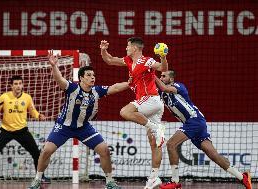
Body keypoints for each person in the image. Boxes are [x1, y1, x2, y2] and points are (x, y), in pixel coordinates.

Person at [28, 50, 130, 189]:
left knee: (104, 150)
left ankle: (110, 182)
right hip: (64, 127)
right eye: (88, 75)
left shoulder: (97, 91)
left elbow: (115, 87)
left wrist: (130, 83)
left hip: (83, 127)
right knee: (46, 151)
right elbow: (59, 80)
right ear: (81, 78)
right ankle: (37, 179)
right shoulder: (72, 88)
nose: (92, 77)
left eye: (93, 75)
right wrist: (54, 66)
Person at [155, 70, 252, 189]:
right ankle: (242, 177)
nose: (161, 77)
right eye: (161, 76)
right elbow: (154, 92)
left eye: (164, 76)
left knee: (171, 144)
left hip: (194, 120)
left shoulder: (178, 86)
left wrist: (152, 74)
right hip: (194, 123)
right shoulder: (161, 93)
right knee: (213, 155)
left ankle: (175, 182)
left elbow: (164, 88)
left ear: (171, 79)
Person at [100, 37, 168, 189]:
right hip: (153, 104)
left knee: (125, 111)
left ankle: (156, 128)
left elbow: (162, 68)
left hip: (150, 99)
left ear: (135, 48)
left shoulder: (147, 61)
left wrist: (163, 57)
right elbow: (110, 60)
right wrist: (103, 50)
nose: (126, 48)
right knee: (154, 143)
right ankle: (154, 178)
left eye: (128, 46)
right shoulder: (129, 61)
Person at [0, 75, 50, 184]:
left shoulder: (27, 98)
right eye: (15, 84)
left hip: (22, 131)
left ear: (23, 85)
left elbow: (33, 111)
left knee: (36, 153)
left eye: (20, 83)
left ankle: (41, 177)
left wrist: (39, 116)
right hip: (6, 130)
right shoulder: (4, 97)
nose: (18, 86)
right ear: (11, 86)